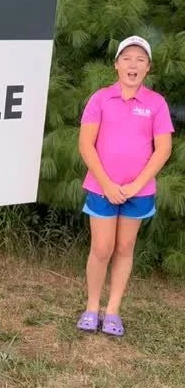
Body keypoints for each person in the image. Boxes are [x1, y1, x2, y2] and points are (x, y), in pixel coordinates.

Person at [76, 36, 173, 337]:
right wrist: (107, 184)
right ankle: (92, 307)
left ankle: (113, 311)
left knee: (125, 247)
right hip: (102, 187)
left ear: (148, 67)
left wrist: (135, 186)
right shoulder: (100, 99)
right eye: (127, 58)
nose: (133, 64)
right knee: (102, 247)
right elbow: (86, 144)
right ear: (116, 64)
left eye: (140, 60)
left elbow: (163, 150)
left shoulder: (156, 103)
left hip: (138, 192)